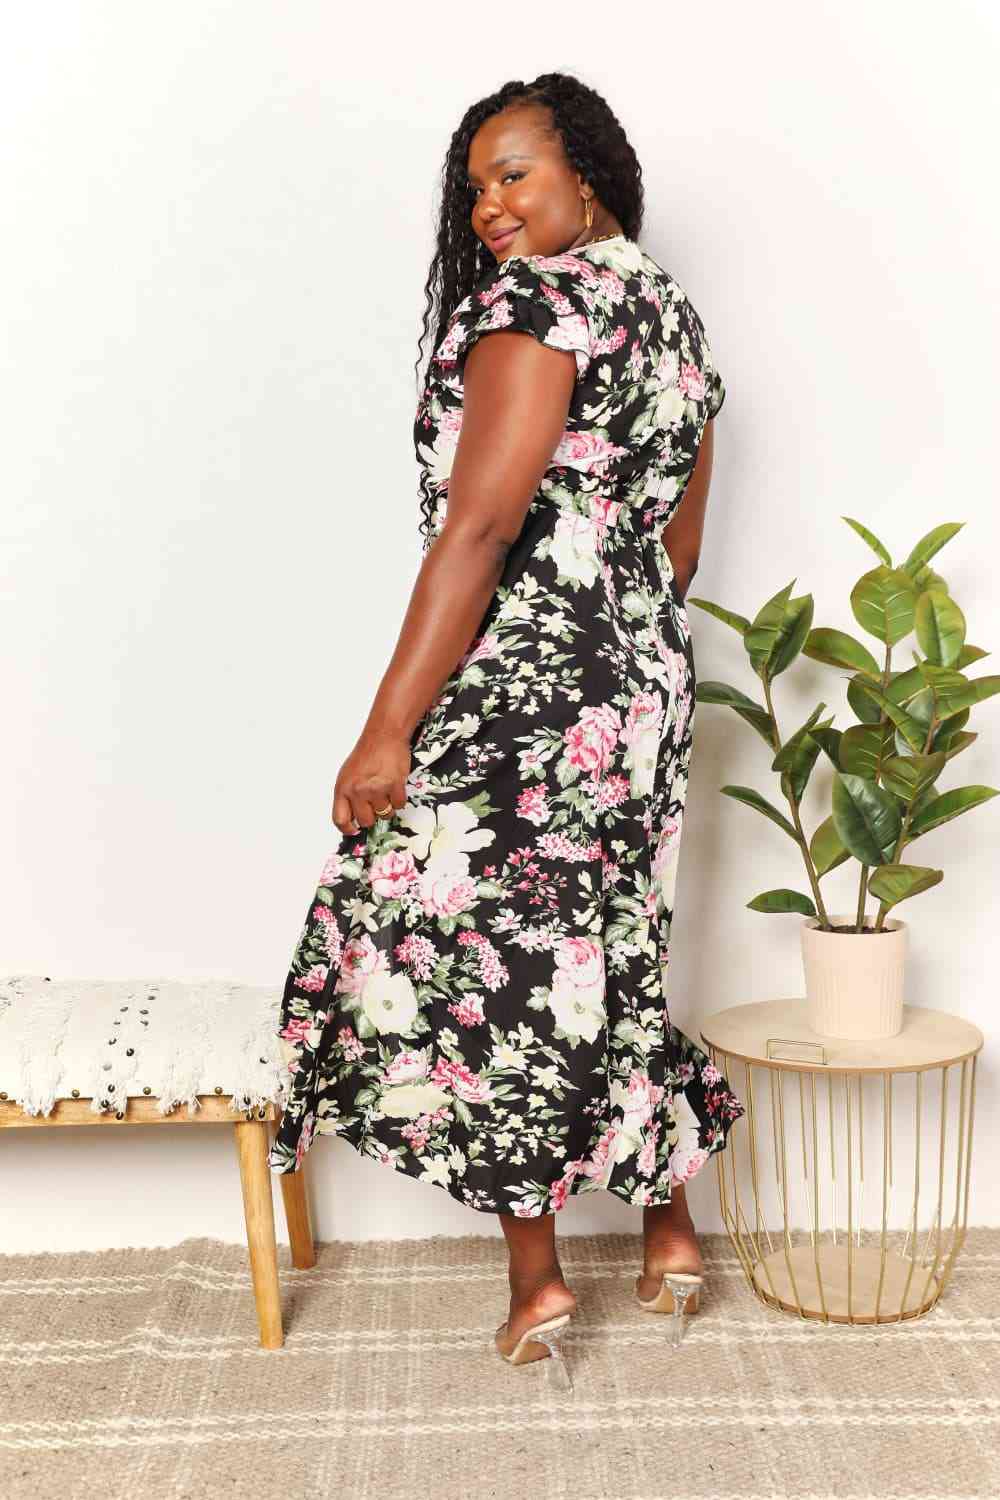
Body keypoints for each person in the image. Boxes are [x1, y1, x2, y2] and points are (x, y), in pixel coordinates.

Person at [268, 70, 746, 1385]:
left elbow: (479, 530)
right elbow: (681, 548)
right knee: (612, 944)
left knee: (488, 958)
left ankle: (539, 1281)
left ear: (586, 173)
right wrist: (618, 642)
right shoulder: (673, 318)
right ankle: (670, 1235)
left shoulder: (538, 307)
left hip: (527, 682)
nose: (489, 206)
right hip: (641, 680)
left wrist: (386, 733)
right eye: (475, 186)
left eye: (515, 173)